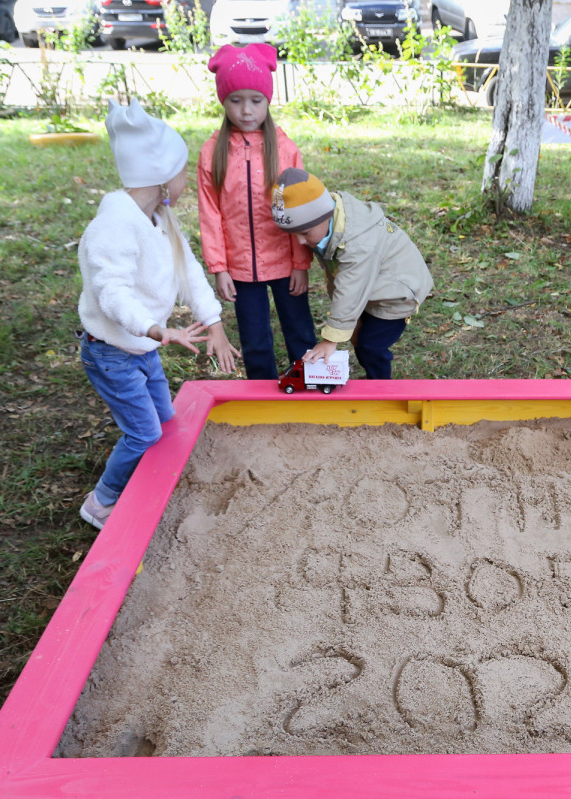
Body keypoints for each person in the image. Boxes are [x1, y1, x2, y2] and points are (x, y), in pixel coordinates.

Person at [77, 99, 239, 530]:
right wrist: (155, 329)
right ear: (163, 175)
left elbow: (190, 274)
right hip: (112, 352)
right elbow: (111, 292)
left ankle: (154, 480)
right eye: (184, 171)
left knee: (165, 421)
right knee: (144, 432)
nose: (187, 180)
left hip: (143, 346)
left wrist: (216, 325)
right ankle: (101, 502)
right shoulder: (113, 225)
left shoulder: (161, 219)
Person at [198, 43, 316, 380]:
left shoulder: (285, 150)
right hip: (239, 269)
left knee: (300, 332)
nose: (246, 111)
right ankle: (262, 397)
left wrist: (300, 264)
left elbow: (298, 209)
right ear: (224, 101)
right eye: (235, 101)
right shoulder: (211, 152)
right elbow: (210, 214)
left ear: (268, 101)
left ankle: (310, 384)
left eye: (255, 100)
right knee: (255, 341)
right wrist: (219, 268)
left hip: (283, 262)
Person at [270, 168, 433, 380]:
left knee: (370, 345)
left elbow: (350, 289)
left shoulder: (358, 244)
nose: (300, 242)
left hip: (397, 294)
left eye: (304, 233)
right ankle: (373, 378)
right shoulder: (330, 228)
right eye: (294, 235)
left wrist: (330, 340)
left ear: (324, 216)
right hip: (371, 287)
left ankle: (381, 386)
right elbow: (341, 281)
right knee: (358, 338)